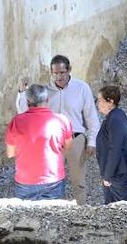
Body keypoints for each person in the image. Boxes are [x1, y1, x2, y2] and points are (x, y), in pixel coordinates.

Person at [15, 54, 100, 204]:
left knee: (78, 180)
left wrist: (92, 141)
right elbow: (23, 112)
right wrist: (22, 92)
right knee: (51, 180)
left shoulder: (82, 88)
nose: (59, 76)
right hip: (52, 142)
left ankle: (82, 211)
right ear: (51, 72)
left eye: (62, 72)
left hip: (76, 140)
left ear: (69, 70)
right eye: (55, 73)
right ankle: (55, 211)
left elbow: (91, 116)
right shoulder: (45, 91)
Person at [5, 83, 71, 200]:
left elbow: (11, 153)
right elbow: (68, 147)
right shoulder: (62, 120)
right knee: (52, 216)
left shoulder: (16, 121)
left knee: (26, 217)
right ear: (47, 99)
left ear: (28, 101)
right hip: (53, 179)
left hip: (25, 180)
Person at [95, 85, 127, 204]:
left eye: (100, 100)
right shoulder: (113, 117)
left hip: (116, 172)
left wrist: (108, 175)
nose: (98, 103)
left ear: (110, 102)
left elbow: (115, 149)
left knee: (124, 206)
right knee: (112, 207)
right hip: (113, 171)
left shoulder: (116, 118)